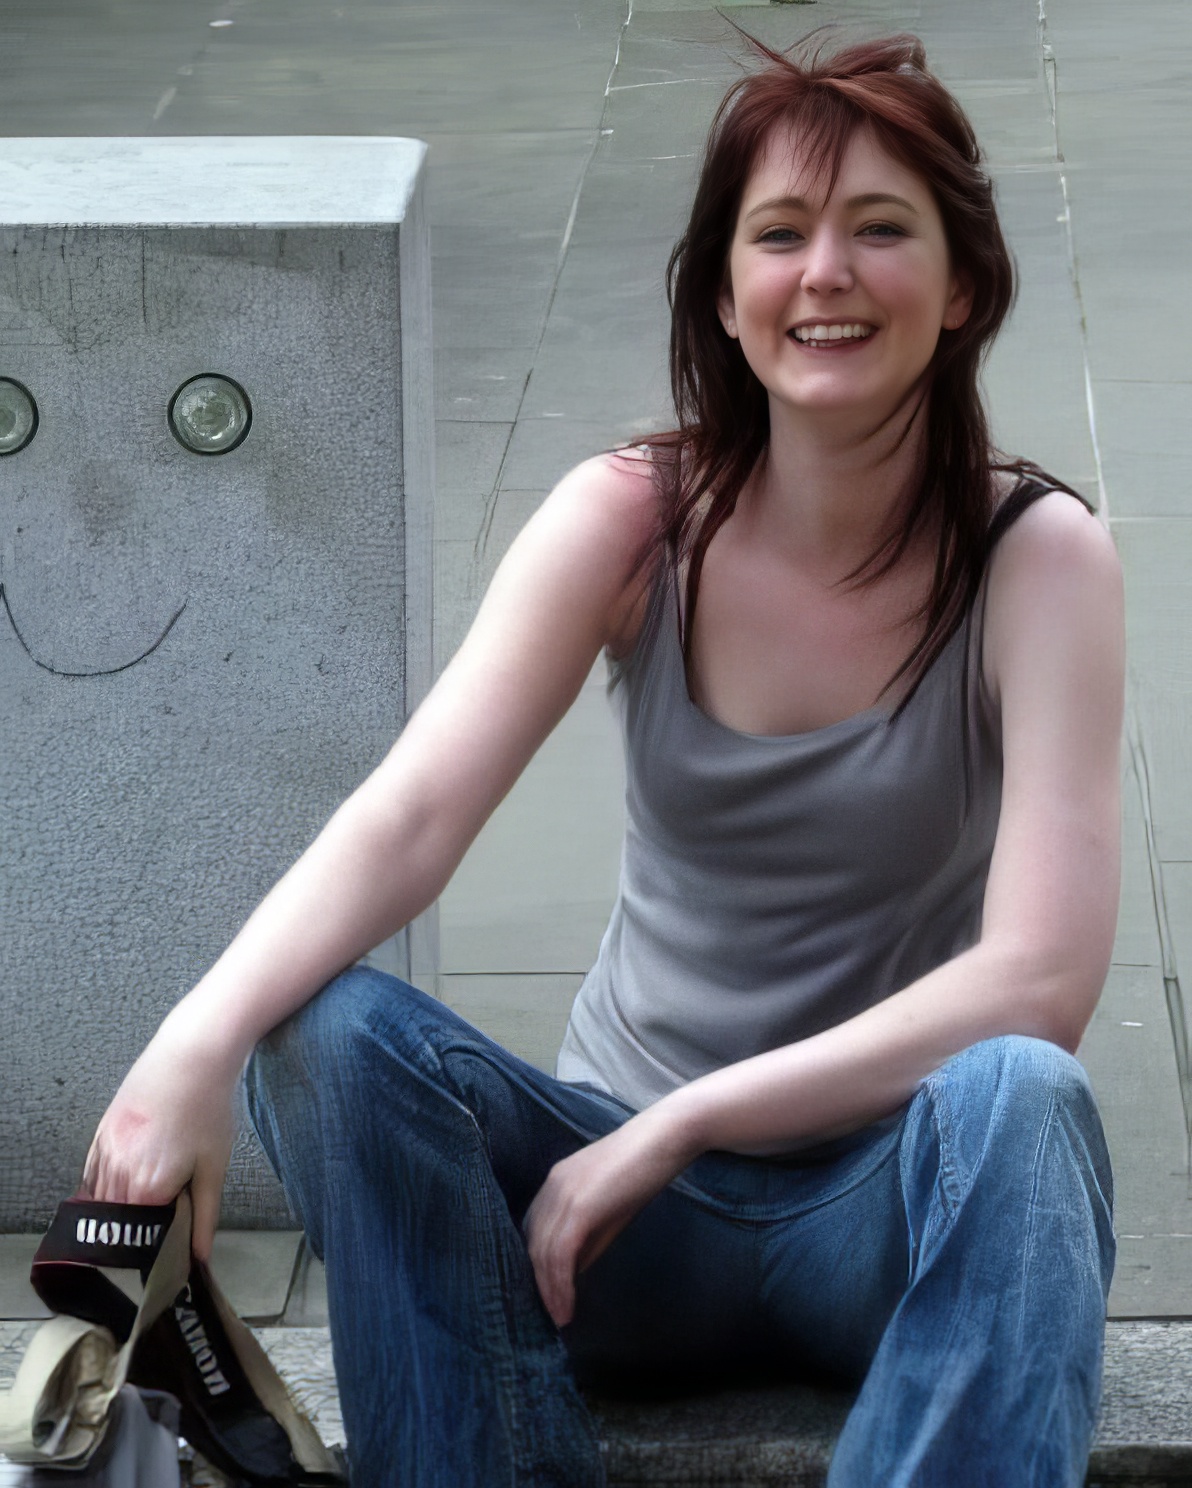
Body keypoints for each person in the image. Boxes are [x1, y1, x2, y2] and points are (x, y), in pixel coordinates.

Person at [82, 30, 1124, 1488]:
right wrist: (181, 1056)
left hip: (879, 1207)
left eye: (882, 230)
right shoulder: (634, 519)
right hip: (614, 1230)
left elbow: (1040, 981)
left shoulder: (1038, 558)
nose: (826, 272)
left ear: (964, 291)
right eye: (781, 234)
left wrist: (688, 1122)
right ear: (725, 289)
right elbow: (416, 811)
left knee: (1023, 1099)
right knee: (326, 1041)